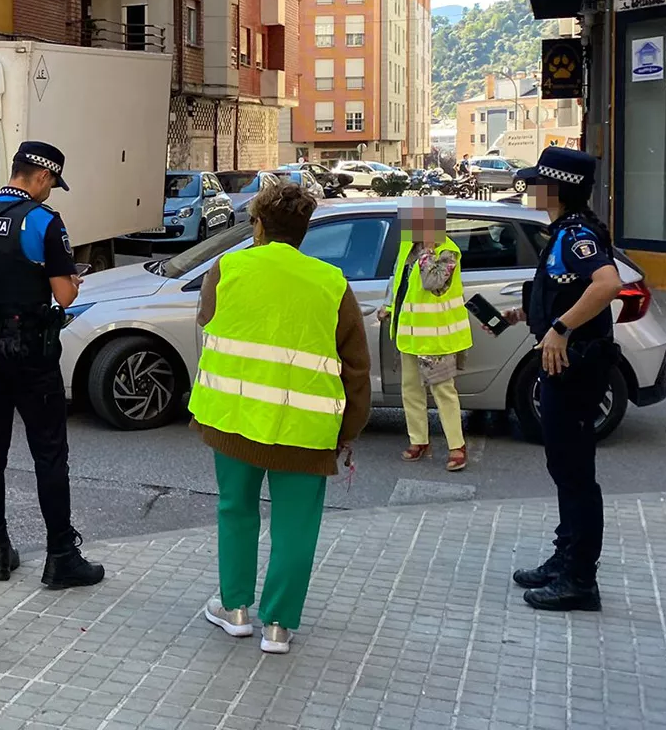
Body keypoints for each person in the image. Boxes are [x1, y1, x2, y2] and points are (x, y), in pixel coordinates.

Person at [191, 184, 372, 654]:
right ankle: (278, 626)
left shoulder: (228, 267)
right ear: (304, 232)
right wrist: (348, 431)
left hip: (233, 416)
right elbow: (355, 367)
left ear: (258, 226)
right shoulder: (331, 283)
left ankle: (234, 610)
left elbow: (207, 320)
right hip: (305, 430)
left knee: (236, 509)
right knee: (295, 525)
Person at [0, 140, 103, 590]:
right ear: (42, 177)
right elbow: (63, 295)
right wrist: (71, 279)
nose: (51, 193)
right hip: (29, 351)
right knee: (48, 453)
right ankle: (61, 555)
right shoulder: (43, 221)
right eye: (52, 184)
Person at [501, 147, 622, 612]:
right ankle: (564, 558)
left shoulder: (576, 234)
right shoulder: (563, 234)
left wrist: (560, 328)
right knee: (565, 469)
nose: (529, 189)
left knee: (575, 475)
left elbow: (607, 284)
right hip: (567, 367)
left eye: (536, 182)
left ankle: (578, 580)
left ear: (557, 189)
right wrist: (529, 314)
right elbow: (568, 286)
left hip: (576, 367)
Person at [379, 196, 472, 472]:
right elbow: (398, 281)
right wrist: (387, 306)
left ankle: (457, 447)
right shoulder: (408, 247)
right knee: (411, 390)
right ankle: (418, 440)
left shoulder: (448, 252)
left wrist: (428, 251)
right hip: (409, 335)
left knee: (444, 392)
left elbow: (433, 283)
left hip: (437, 338)